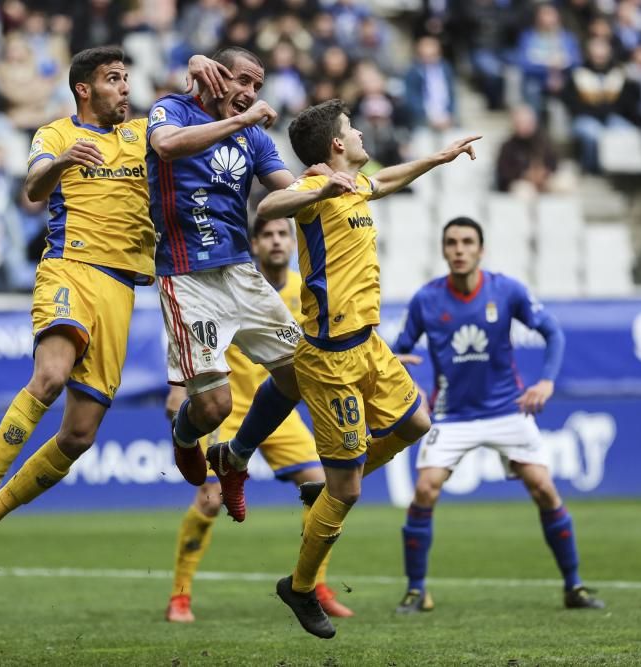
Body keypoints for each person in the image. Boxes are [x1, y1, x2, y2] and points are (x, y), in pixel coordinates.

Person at [255, 99, 478, 639]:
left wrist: (438, 158)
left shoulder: (356, 186)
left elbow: (389, 180)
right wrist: (320, 188)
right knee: (349, 493)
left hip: (370, 345)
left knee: (417, 424)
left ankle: (328, 486)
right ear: (336, 144)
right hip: (330, 358)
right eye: (351, 129)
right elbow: (269, 208)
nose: (359, 134)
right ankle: (301, 587)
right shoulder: (316, 191)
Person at [0, 46, 158, 578]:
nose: (125, 88)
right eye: (113, 79)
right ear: (84, 89)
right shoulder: (56, 134)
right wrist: (64, 162)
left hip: (124, 287)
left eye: (127, 78)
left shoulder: (143, 136)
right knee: (50, 376)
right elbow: (33, 188)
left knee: (79, 436)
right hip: (70, 267)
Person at [389, 217, 605, 614]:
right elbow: (397, 351)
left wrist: (546, 383)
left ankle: (574, 586)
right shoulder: (427, 299)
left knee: (543, 488)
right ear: (443, 250)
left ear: (480, 250)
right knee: (424, 490)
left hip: (507, 409)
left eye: (467, 242)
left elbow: (552, 332)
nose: (459, 249)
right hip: (451, 414)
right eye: (451, 242)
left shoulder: (506, 290)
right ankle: (416, 590)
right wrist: (405, 383)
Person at [146, 46, 307, 524]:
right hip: (187, 274)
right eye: (243, 81)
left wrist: (325, 179)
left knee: (299, 375)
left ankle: (235, 459)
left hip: (240, 270)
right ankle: (183, 436)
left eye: (257, 86)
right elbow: (167, 147)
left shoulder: (254, 139)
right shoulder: (172, 108)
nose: (251, 93)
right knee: (215, 406)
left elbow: (287, 188)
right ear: (215, 76)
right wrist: (243, 121)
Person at [164, 217, 353, 622]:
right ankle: (180, 594)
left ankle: (313, 584)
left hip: (279, 412)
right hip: (230, 413)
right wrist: (179, 388)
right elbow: (192, 328)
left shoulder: (307, 289)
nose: (277, 241)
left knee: (324, 489)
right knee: (209, 501)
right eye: (267, 235)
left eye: (283, 234)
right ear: (254, 243)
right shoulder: (234, 284)